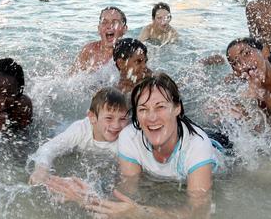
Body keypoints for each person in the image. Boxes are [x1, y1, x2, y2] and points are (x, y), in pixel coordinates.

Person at [46, 73, 221, 217]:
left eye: (160, 107)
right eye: (143, 109)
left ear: (177, 108)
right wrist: (86, 198)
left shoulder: (197, 146)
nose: (151, 117)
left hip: (220, 148)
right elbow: (126, 193)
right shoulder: (130, 137)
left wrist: (142, 213)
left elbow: (199, 213)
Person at [28, 87, 130, 186]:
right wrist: (41, 169)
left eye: (122, 119)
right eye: (109, 118)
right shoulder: (81, 130)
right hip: (63, 129)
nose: (116, 125)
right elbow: (48, 148)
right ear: (92, 117)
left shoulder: (126, 140)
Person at [72, 7, 128, 73]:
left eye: (115, 22)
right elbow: (71, 77)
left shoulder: (130, 52)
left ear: (124, 29)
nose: (109, 26)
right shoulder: (89, 51)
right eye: (104, 22)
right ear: (99, 29)